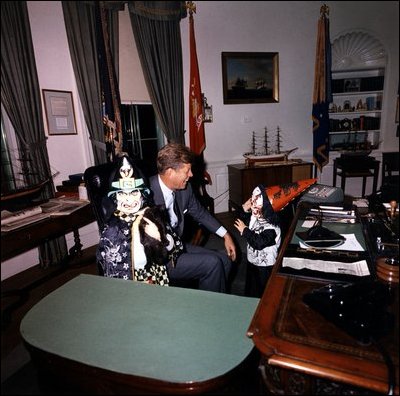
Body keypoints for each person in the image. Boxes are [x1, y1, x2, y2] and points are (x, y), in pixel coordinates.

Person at [149, 143, 236, 293]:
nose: (191, 175)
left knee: (225, 261)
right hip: (159, 259)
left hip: (177, 246)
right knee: (212, 263)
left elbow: (200, 212)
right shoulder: (145, 194)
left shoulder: (185, 189)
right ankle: (208, 310)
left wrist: (226, 235)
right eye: (187, 171)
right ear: (170, 172)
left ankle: (218, 301)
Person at [96, 155, 183, 285]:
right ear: (115, 198)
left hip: (157, 277)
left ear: (143, 195)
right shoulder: (112, 230)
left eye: (134, 193)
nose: (128, 200)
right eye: (121, 194)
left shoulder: (152, 216)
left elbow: (176, 247)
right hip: (131, 286)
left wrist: (160, 238)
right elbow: (110, 269)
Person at [234, 184, 281, 298]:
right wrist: (244, 208)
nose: (253, 203)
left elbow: (259, 242)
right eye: (252, 199)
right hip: (252, 261)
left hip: (265, 267)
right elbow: (240, 222)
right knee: (251, 288)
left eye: (256, 199)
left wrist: (245, 230)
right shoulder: (255, 218)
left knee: (264, 291)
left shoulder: (272, 228)